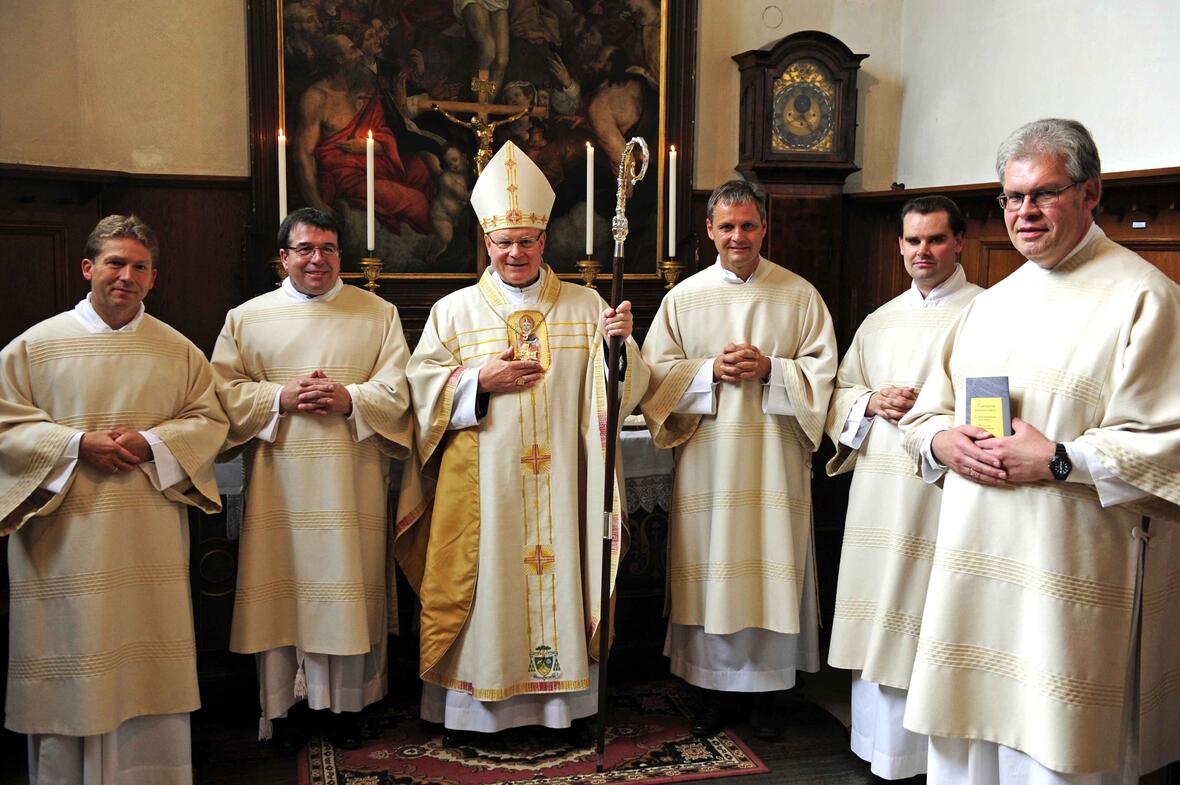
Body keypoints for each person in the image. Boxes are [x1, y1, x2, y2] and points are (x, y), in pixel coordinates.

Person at [899, 119, 1180, 783]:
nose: (1024, 212)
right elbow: (925, 412)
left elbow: (1167, 443)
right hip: (975, 572)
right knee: (969, 748)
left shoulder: (1145, 298)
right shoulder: (991, 303)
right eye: (1012, 197)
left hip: (1068, 581)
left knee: (1056, 751)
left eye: (1043, 194)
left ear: (1090, 194)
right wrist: (942, 439)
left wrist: (1058, 459)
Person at [394, 140, 648, 743]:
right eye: (503, 241)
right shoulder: (453, 313)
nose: (515, 252)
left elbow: (622, 393)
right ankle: (477, 709)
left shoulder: (588, 307)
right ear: (486, 242)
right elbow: (420, 391)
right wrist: (476, 380)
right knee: (487, 591)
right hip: (484, 493)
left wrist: (618, 347)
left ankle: (562, 709)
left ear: (543, 242)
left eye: (526, 241)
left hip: (563, 488)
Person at [0, 215, 228, 784]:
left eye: (139, 267)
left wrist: (152, 442)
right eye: (114, 263)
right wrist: (76, 445)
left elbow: (208, 419)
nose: (126, 276)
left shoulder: (177, 352)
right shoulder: (36, 346)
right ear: (88, 268)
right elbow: (5, 427)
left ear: (153, 278)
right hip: (61, 539)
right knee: (70, 658)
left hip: (146, 534)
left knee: (145, 658)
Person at [211, 207, 413, 754]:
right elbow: (220, 397)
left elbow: (400, 392)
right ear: (284, 257)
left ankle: (347, 707)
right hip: (280, 484)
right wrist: (280, 396)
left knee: (346, 588)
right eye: (304, 249)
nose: (317, 259)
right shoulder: (247, 319)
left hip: (353, 482)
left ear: (339, 256)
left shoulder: (378, 314)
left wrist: (352, 398)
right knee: (283, 591)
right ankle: (284, 707)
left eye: (327, 248)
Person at [640, 179, 837, 740]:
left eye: (748, 225)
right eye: (727, 226)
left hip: (775, 461)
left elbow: (825, 373)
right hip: (709, 459)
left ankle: (770, 693)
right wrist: (709, 372)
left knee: (770, 561)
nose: (738, 236)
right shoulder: (684, 298)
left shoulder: (799, 295)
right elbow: (654, 376)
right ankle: (707, 689)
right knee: (709, 565)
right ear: (709, 230)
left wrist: (774, 369)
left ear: (764, 227)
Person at [824, 196, 983, 778]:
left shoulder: (986, 312)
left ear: (960, 242)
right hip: (878, 490)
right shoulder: (880, 319)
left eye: (936, 240)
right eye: (913, 241)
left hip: (942, 495)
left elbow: (998, 400)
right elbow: (839, 394)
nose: (923, 251)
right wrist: (870, 401)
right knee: (879, 618)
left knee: (930, 617)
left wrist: (935, 415)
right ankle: (878, 748)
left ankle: (933, 761)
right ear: (899, 245)